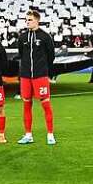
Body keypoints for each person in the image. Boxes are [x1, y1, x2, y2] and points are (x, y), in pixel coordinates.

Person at [16, 8, 57, 145]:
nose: (27, 22)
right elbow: (21, 54)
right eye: (26, 20)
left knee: (45, 105)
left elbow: (51, 56)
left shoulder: (45, 37)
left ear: (37, 21)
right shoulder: (22, 37)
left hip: (40, 76)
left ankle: (50, 134)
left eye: (30, 20)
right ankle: (28, 135)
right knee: (26, 105)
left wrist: (43, 68)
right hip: (26, 76)